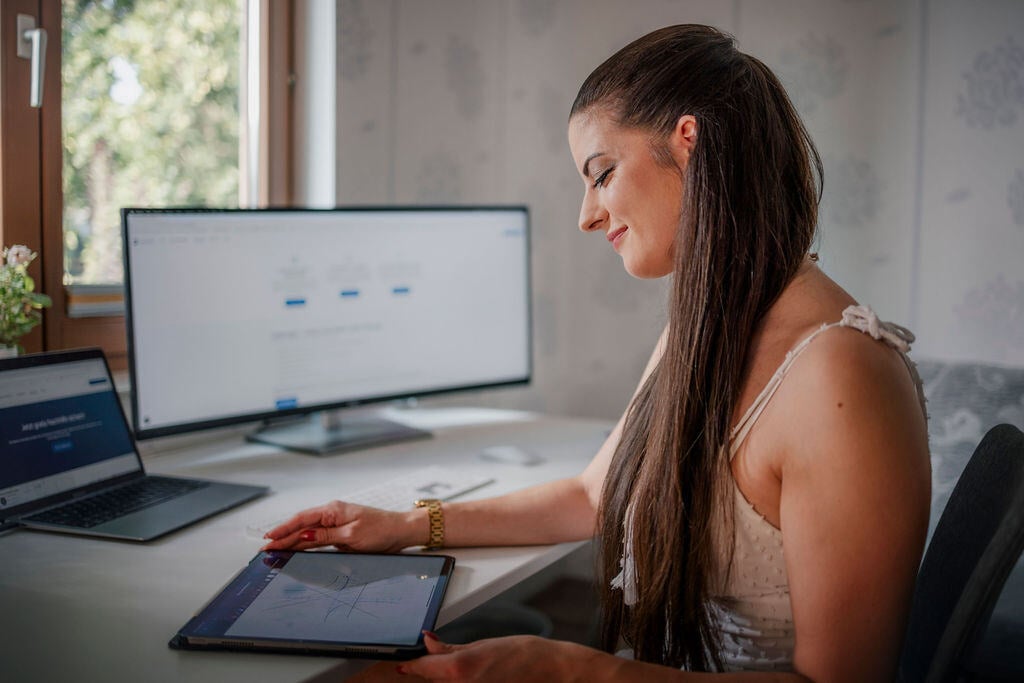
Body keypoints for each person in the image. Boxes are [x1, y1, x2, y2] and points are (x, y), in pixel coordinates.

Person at [263, 24, 931, 681]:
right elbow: (591, 495)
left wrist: (571, 670)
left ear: (689, 144)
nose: (586, 214)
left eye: (602, 173)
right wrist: (405, 526)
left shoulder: (841, 374)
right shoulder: (706, 328)